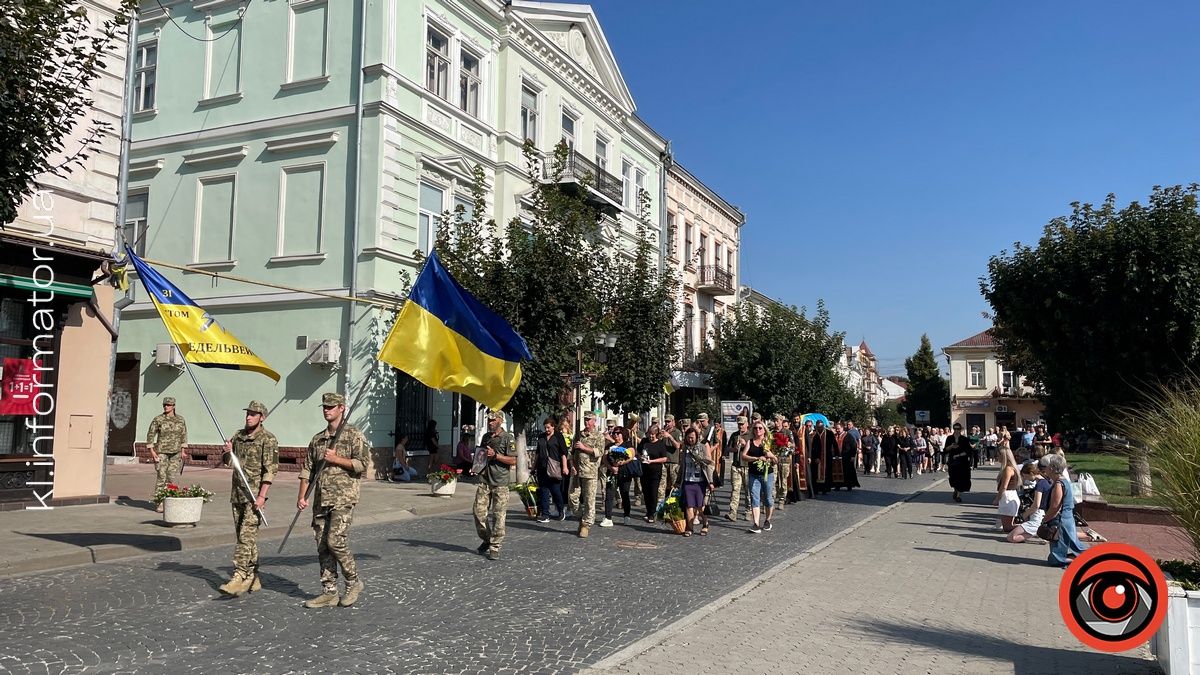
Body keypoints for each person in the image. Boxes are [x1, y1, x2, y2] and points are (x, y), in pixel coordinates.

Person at [297, 392, 369, 608]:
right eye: (324, 407)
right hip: (320, 498)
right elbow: (307, 469)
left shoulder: (353, 435)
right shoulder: (318, 439)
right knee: (322, 545)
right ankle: (329, 591)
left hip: (343, 498)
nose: (327, 410)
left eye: (331, 407)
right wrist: (302, 496)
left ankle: (354, 582)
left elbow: (362, 465)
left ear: (341, 408)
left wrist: (336, 459)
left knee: (335, 541)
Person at [217, 400, 278, 596]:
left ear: (262, 417)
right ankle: (254, 576)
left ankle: (239, 576)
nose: (248, 417)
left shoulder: (268, 439)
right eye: (247, 413)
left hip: (254, 498)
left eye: (253, 414)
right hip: (237, 494)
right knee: (245, 538)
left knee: (245, 538)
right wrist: (227, 452)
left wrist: (262, 496)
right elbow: (228, 463)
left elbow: (270, 471)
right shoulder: (238, 436)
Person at [473, 411, 516, 559]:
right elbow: (481, 455)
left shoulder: (507, 438)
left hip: (500, 482)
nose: (490, 423)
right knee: (478, 513)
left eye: (492, 420)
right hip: (485, 480)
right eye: (488, 420)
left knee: (498, 516)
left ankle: (495, 546)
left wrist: (496, 456)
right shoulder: (486, 437)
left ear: (500, 420)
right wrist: (476, 466)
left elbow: (513, 461)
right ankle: (486, 539)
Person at [1040, 453, 1086, 567]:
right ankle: (1083, 558)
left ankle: (1081, 560)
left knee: (1055, 558)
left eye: (1046, 467)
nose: (1045, 469)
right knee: (1072, 544)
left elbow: (1055, 506)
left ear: (1051, 468)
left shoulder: (1058, 484)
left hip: (1060, 521)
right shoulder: (1064, 481)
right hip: (1066, 519)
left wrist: (1045, 520)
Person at [147, 396, 189, 513]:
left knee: (171, 478)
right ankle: (159, 503)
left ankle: (168, 502)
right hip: (162, 452)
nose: (166, 407)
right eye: (164, 405)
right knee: (161, 477)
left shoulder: (180, 420)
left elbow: (183, 435)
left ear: (173, 406)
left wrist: (183, 451)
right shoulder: (158, 419)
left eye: (168, 405)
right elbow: (151, 434)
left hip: (175, 453)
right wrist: (152, 452)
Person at [742, 420, 778, 533]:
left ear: (764, 430)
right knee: (754, 498)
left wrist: (771, 456)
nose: (758, 430)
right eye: (756, 428)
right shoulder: (750, 442)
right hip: (754, 474)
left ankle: (767, 520)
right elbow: (743, 455)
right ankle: (756, 524)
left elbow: (776, 461)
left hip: (767, 474)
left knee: (768, 498)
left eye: (760, 428)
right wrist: (756, 458)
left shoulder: (769, 442)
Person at [572, 411, 604, 538]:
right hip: (577, 471)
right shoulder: (579, 435)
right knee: (572, 498)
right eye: (585, 419)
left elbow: (599, 452)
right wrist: (571, 465)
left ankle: (586, 525)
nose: (586, 422)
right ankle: (581, 516)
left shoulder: (598, 436)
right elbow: (572, 452)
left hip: (590, 472)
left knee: (589, 500)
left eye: (589, 419)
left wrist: (584, 448)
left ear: (594, 421)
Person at [679, 427, 713, 536]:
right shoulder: (685, 449)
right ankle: (690, 528)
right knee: (689, 505)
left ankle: (705, 523)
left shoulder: (702, 447)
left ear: (697, 437)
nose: (690, 440)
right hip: (687, 480)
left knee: (700, 506)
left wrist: (710, 482)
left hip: (700, 481)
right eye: (688, 438)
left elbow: (709, 465)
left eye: (692, 438)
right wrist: (678, 480)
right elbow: (682, 466)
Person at [535, 417, 569, 523]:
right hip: (542, 467)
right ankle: (545, 514)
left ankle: (560, 510)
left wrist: (565, 467)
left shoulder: (558, 436)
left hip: (554, 467)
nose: (546, 430)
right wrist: (533, 466)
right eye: (545, 428)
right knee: (544, 491)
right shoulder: (541, 437)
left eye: (548, 427)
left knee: (555, 490)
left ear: (553, 426)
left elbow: (564, 453)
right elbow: (537, 453)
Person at [600, 426, 635, 527]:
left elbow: (631, 455)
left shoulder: (627, 444)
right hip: (612, 473)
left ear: (622, 434)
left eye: (618, 433)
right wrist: (611, 467)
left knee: (625, 494)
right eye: (614, 433)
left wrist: (620, 463)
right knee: (609, 494)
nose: (615, 435)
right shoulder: (610, 446)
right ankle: (608, 517)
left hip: (624, 473)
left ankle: (627, 515)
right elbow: (604, 458)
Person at [638, 425, 672, 523]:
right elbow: (638, 451)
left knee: (653, 492)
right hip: (644, 470)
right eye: (649, 434)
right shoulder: (644, 441)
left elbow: (665, 458)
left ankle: (652, 514)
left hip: (655, 471)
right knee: (646, 492)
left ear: (656, 434)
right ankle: (648, 511)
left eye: (653, 434)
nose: (651, 436)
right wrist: (640, 457)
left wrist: (652, 461)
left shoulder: (660, 444)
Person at [1006, 462, 1046, 543]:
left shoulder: (1040, 485)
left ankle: (1037, 532)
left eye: (1026, 476)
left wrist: (1024, 515)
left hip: (1037, 516)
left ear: (1031, 473)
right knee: (1012, 536)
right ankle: (1038, 532)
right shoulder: (1044, 482)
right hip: (1040, 515)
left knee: (1011, 537)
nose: (1026, 479)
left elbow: (1036, 505)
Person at [725, 416, 750, 521]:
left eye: (742, 424)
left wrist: (745, 445)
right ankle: (732, 512)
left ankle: (748, 511)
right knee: (735, 489)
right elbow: (728, 448)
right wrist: (734, 448)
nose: (740, 426)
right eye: (739, 424)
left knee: (748, 490)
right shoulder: (735, 435)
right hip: (736, 465)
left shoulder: (751, 435)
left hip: (747, 466)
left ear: (747, 424)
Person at [994, 445, 1021, 532]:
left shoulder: (1008, 469)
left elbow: (1004, 486)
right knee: (1007, 525)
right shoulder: (1011, 468)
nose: (997, 457)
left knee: (1008, 527)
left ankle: (1030, 529)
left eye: (998, 455)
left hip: (1008, 496)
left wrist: (997, 498)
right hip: (1010, 495)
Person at [945, 423, 973, 502]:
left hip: (962, 461)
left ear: (960, 429)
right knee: (953, 477)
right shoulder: (949, 438)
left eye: (958, 429)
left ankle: (958, 494)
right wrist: (951, 446)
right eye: (955, 429)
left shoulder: (964, 439)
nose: (957, 430)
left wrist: (958, 455)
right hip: (952, 461)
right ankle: (956, 490)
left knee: (961, 478)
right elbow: (945, 449)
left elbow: (968, 451)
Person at [772, 416, 794, 507]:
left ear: (781, 421)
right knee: (772, 480)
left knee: (783, 480)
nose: (776, 423)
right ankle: (771, 499)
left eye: (777, 421)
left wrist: (787, 446)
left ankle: (782, 499)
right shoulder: (771, 432)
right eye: (774, 421)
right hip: (774, 459)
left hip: (784, 460)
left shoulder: (788, 432)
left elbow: (793, 446)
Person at [833, 422, 861, 490]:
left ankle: (849, 485)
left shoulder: (848, 435)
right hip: (837, 458)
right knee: (837, 472)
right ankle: (837, 485)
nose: (837, 430)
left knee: (848, 472)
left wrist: (852, 456)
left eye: (838, 429)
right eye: (836, 429)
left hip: (847, 457)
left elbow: (854, 446)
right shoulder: (834, 436)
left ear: (842, 428)